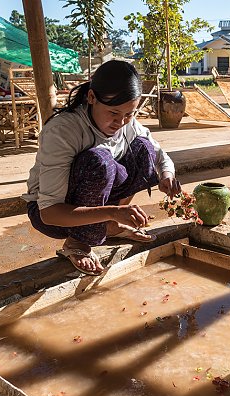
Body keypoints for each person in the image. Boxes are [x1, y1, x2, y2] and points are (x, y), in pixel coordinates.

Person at [23, 60, 181, 276]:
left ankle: (109, 226)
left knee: (143, 149)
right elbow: (49, 213)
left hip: (93, 205)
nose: (121, 122)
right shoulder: (63, 130)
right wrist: (113, 212)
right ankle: (77, 243)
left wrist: (166, 175)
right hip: (52, 215)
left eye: (129, 113)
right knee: (99, 162)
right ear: (91, 98)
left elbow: (159, 154)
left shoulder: (127, 122)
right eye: (113, 113)